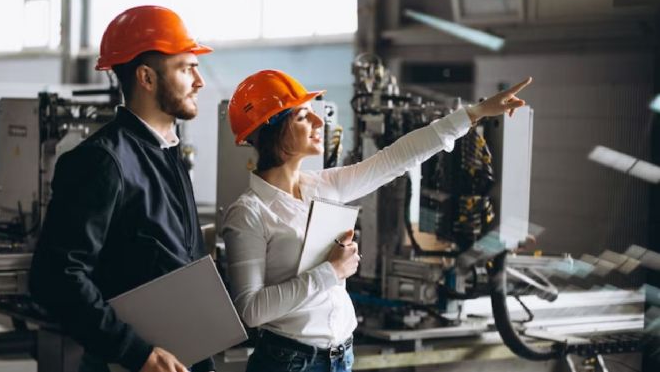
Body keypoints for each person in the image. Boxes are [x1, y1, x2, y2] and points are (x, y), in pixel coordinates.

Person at [221, 69, 532, 372]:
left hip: (341, 357)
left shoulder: (323, 186)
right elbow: (251, 310)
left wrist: (474, 113)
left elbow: (395, 159)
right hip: (288, 362)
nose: (318, 121)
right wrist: (331, 272)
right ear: (274, 132)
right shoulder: (249, 212)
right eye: (303, 117)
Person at [29, 5, 215, 372]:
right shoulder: (102, 161)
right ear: (146, 77)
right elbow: (55, 277)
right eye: (185, 67)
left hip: (180, 355)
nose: (199, 80)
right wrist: (136, 352)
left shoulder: (167, 153)